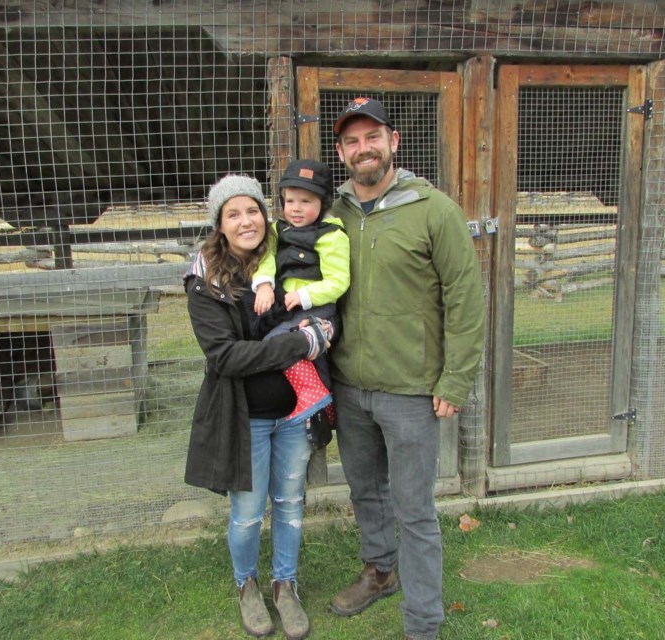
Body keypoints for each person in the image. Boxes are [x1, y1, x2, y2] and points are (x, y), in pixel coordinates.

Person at [327, 97, 485, 640]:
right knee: (364, 490)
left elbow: (465, 298)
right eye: (351, 140)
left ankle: (423, 623)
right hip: (349, 385)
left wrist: (455, 377)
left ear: (394, 142)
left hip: (411, 390)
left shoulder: (432, 208)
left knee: (415, 510)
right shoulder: (335, 212)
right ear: (342, 151)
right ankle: (380, 572)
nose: (362, 148)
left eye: (372, 137)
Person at [184, 173, 334, 640]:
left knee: (290, 502)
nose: (246, 221)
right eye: (234, 214)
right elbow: (225, 356)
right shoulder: (204, 280)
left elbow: (308, 310)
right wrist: (299, 344)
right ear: (220, 225)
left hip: (293, 413)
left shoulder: (285, 259)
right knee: (248, 511)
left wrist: (315, 329)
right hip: (243, 417)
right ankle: (246, 584)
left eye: (252, 210)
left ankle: (284, 584)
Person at [251, 159, 350, 435]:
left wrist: (305, 294)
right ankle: (320, 411)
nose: (296, 208)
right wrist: (263, 285)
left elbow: (339, 280)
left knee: (280, 343)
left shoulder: (331, 236)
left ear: (322, 202)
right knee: (306, 357)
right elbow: (266, 258)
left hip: (317, 308)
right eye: (290, 200)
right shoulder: (277, 230)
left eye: (306, 201)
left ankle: (316, 400)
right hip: (285, 307)